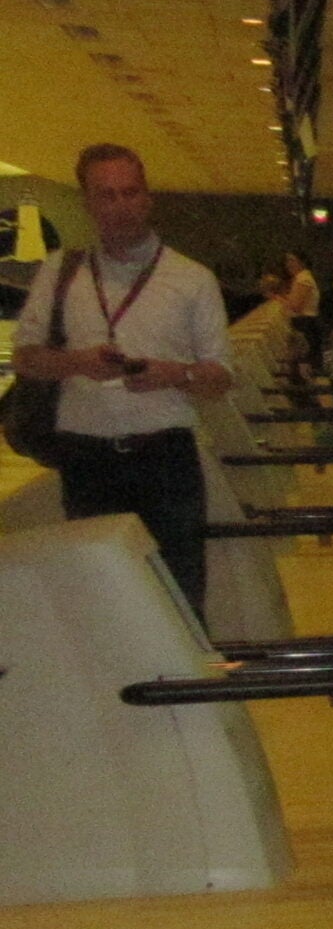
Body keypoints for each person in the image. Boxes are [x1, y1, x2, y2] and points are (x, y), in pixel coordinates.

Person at [13, 144, 232, 620]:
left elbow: (219, 378)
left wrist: (177, 374)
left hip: (166, 458)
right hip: (86, 460)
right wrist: (78, 362)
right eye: (106, 195)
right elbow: (25, 359)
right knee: (99, 598)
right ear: (88, 203)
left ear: (147, 198)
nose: (120, 206)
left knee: (179, 596)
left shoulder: (191, 279)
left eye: (130, 193)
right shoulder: (60, 273)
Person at [281, 249, 322, 376]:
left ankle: (305, 383)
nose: (288, 264)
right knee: (303, 358)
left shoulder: (303, 279)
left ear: (302, 262)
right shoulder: (300, 278)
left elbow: (296, 306)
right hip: (305, 322)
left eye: (292, 260)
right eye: (287, 261)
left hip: (304, 323)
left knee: (303, 358)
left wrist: (279, 299)